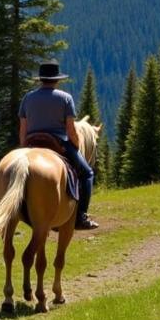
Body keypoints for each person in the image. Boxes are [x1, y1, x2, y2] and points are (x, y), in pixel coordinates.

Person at [18, 61, 98, 230]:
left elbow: (22, 131)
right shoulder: (65, 98)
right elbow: (71, 130)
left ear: (41, 79)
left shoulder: (28, 98)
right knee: (87, 173)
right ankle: (80, 217)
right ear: (57, 80)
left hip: (31, 142)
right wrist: (75, 145)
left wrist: (24, 148)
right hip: (57, 141)